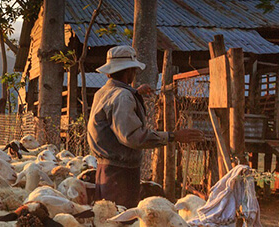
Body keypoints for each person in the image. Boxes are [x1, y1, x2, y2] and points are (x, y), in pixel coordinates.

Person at [87, 45, 203, 208]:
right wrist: (173, 136)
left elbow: (115, 109)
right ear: (129, 72)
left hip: (105, 170)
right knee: (122, 219)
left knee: (106, 216)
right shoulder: (123, 97)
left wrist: (135, 92)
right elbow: (133, 137)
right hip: (121, 175)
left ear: (109, 72)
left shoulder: (104, 92)